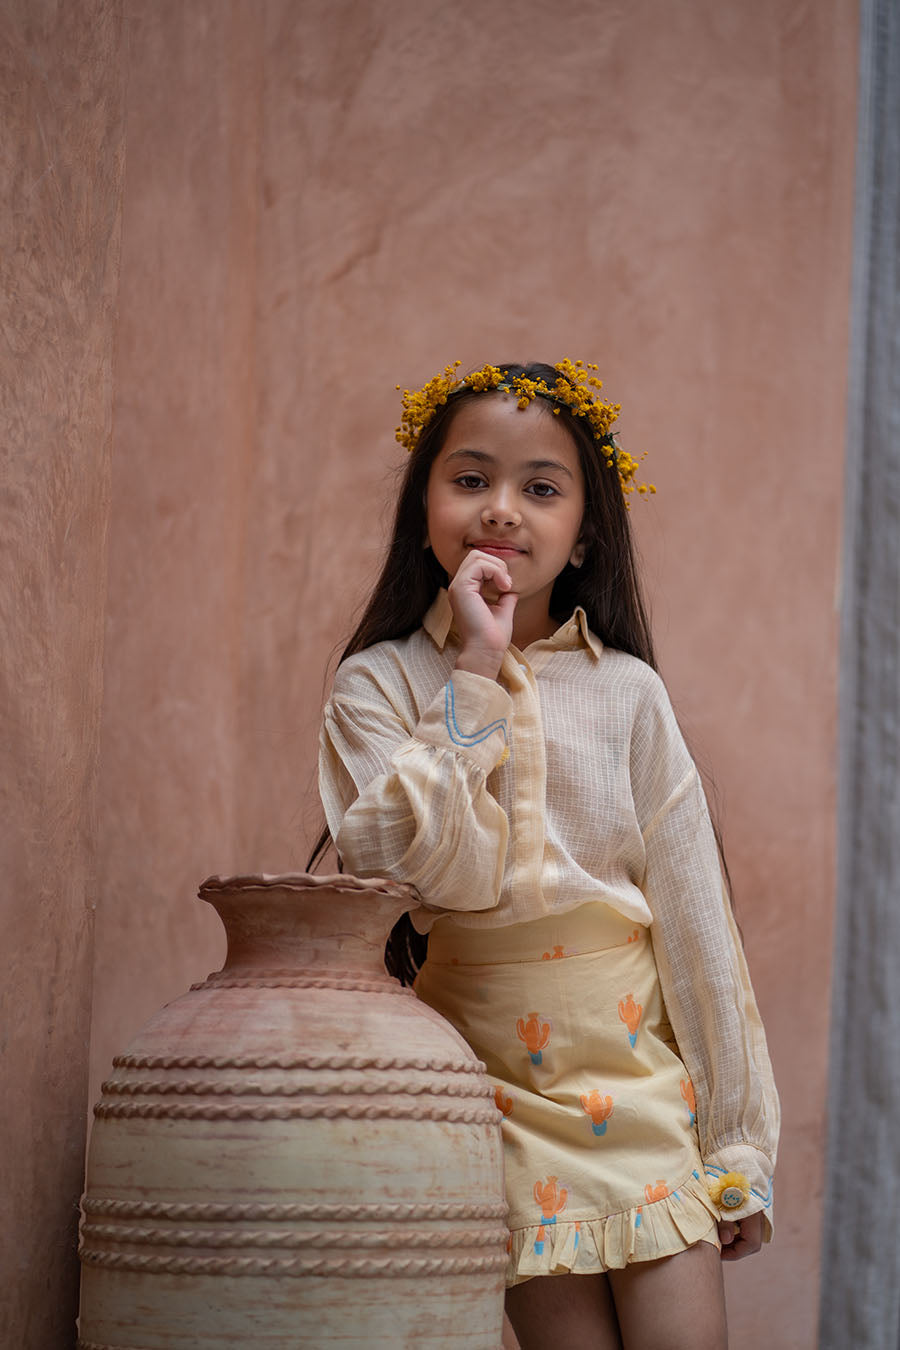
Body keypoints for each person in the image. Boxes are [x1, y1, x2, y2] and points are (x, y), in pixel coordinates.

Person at [316, 360, 779, 1349]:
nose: (502, 512)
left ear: (584, 535)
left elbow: (699, 921)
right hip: (496, 1097)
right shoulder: (378, 686)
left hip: (640, 1086)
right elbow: (432, 874)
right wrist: (475, 672)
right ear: (424, 507)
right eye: (471, 478)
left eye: (540, 488)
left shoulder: (629, 696)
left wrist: (737, 1137)